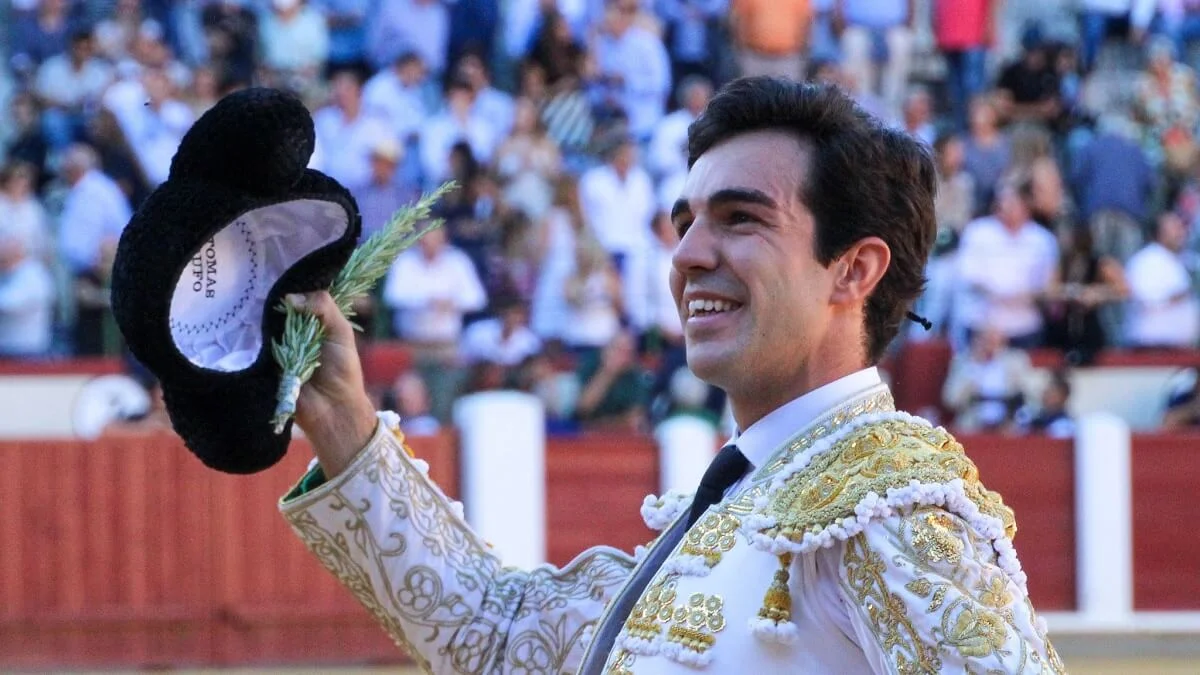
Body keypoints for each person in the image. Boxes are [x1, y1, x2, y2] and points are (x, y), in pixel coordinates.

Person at [277, 78, 1064, 673]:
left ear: (853, 270)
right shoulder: (742, 500)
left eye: (741, 218)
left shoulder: (888, 508)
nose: (686, 254)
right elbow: (499, 634)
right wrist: (347, 426)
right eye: (686, 221)